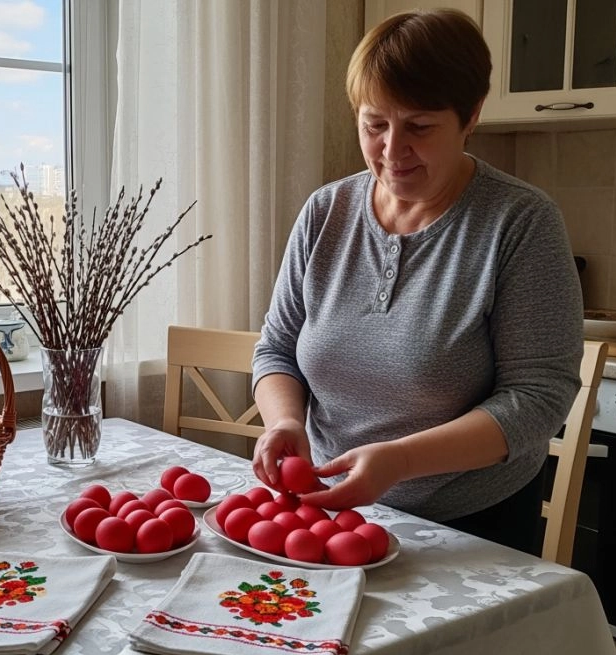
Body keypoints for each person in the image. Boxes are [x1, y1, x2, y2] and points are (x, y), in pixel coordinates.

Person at [250, 9, 583, 553]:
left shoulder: (520, 222)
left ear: (471, 116)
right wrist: (284, 422)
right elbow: (277, 349)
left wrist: (402, 460)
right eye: (374, 124)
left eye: (420, 127)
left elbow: (538, 399)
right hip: (326, 511)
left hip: (467, 526)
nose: (392, 150)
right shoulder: (325, 212)